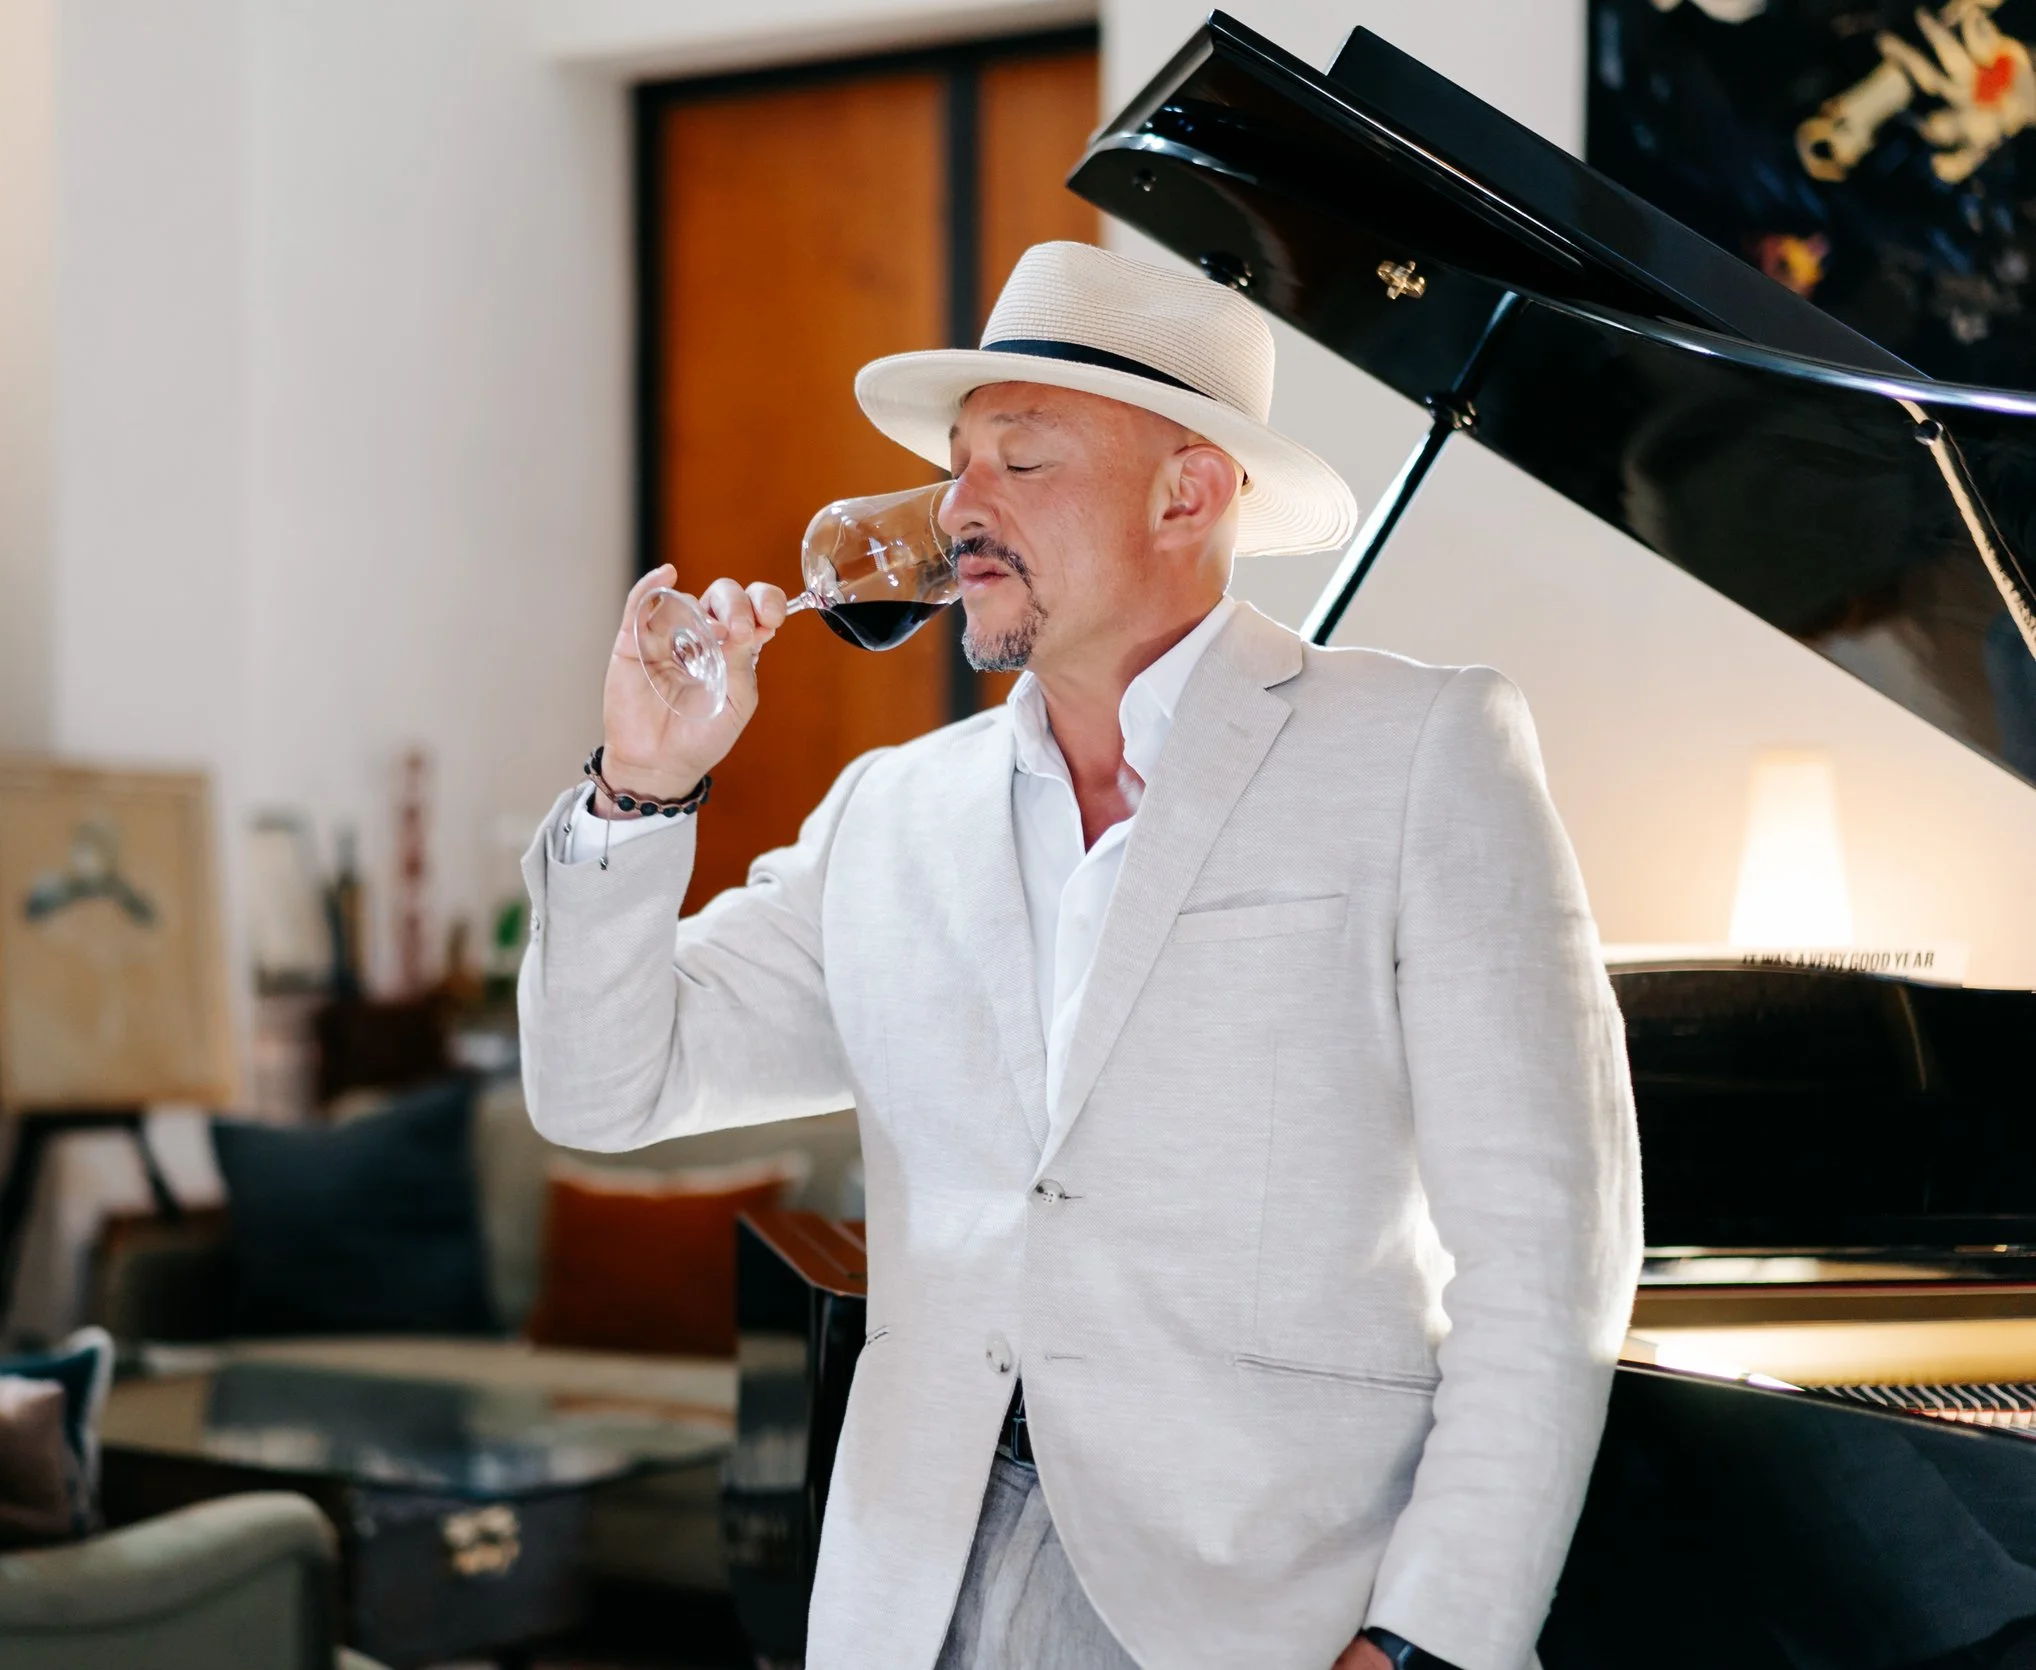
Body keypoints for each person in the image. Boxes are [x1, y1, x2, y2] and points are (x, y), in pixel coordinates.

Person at [517, 241, 1641, 1670]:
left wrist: (1427, 1640)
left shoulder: (1423, 752)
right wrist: (641, 786)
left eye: (1023, 460)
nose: (959, 508)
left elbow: (1550, 1249)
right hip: (910, 1595)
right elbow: (602, 1089)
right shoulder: (887, 814)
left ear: (1189, 491)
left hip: (1263, 1610)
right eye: (957, 465)